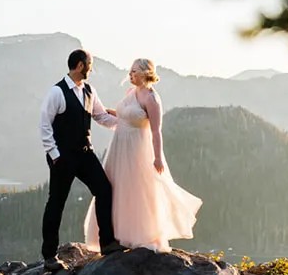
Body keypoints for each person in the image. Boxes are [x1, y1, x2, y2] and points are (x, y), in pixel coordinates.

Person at [84, 57, 202, 252]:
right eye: (130, 72)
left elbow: (156, 131)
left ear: (146, 73)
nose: (130, 75)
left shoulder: (152, 99)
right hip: (119, 147)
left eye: (134, 72)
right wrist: (100, 110)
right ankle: (115, 235)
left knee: (137, 190)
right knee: (116, 188)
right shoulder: (132, 92)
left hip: (137, 149)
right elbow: (123, 115)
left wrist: (157, 157)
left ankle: (141, 233)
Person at [39, 48, 123, 269]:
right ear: (79, 65)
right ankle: (49, 256)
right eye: (89, 64)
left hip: (85, 153)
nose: (91, 68)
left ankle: (107, 243)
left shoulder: (89, 90)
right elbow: (44, 125)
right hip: (62, 157)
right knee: (56, 204)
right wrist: (55, 155)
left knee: (104, 189)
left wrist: (126, 125)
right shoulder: (56, 92)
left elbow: (100, 116)